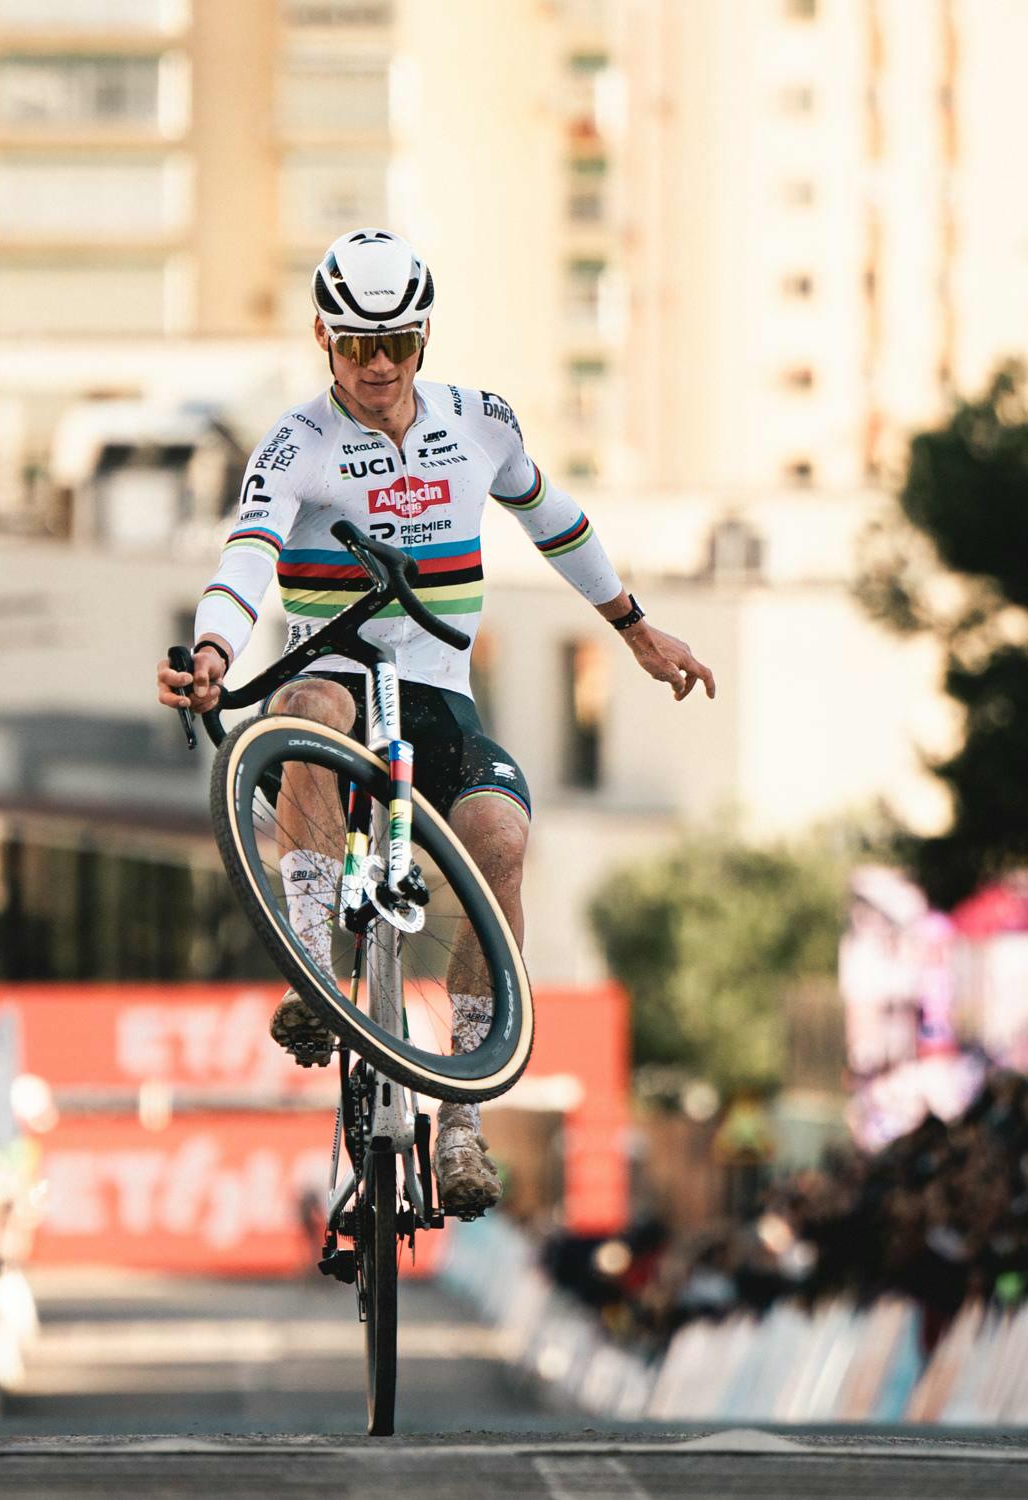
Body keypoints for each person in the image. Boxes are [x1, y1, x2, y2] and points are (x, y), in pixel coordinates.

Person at [154, 227, 715, 1214]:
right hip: (332, 672)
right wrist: (211, 655)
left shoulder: (479, 424)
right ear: (323, 338)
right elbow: (245, 555)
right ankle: (318, 966)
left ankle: (461, 1126)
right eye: (356, 346)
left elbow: (556, 520)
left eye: (399, 345)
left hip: (441, 699)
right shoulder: (296, 444)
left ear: (424, 340)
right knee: (310, 708)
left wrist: (634, 628)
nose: (377, 367)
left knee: (500, 839)